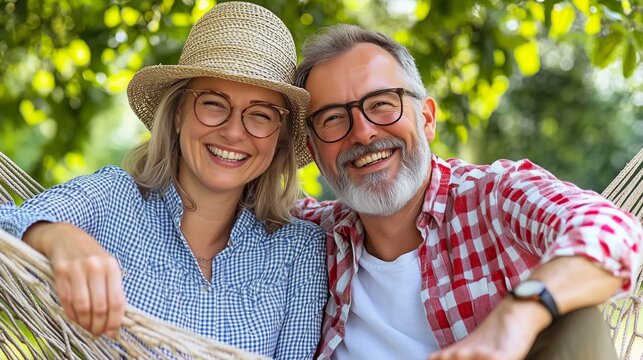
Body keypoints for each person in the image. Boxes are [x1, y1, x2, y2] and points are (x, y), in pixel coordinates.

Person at [291, 24, 643, 360]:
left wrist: (518, 315)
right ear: (315, 152)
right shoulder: (309, 237)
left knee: (577, 322)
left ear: (427, 118)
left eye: (382, 103)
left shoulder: (495, 197)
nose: (363, 133)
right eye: (333, 118)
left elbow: (609, 230)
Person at [0, 2, 327, 358]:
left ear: (278, 137)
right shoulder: (114, 198)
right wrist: (54, 234)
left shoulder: (299, 250)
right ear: (176, 114)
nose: (234, 132)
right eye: (214, 104)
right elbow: (7, 225)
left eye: (261, 115)